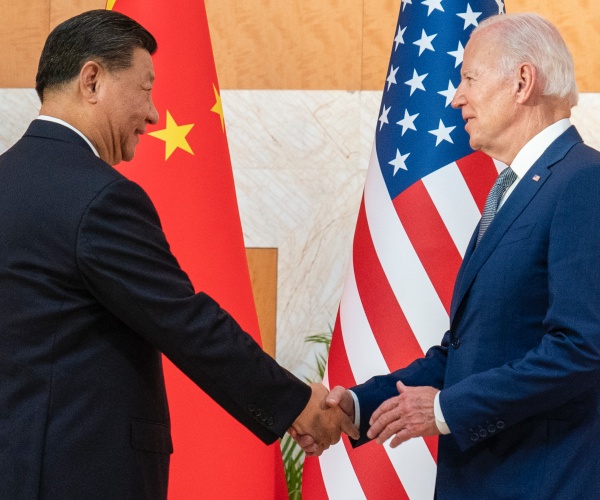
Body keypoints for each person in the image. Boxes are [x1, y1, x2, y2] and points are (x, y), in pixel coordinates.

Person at [0, 9, 357, 499]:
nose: (152, 114)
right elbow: (185, 321)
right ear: (91, 80)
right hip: (79, 473)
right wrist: (295, 403)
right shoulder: (100, 197)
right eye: (146, 88)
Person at [298, 12, 600, 498]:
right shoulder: (513, 189)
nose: (456, 96)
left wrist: (444, 410)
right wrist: (355, 405)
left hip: (541, 482)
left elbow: (582, 348)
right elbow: (464, 351)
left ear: (523, 81)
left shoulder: (583, 181)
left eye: (469, 78)